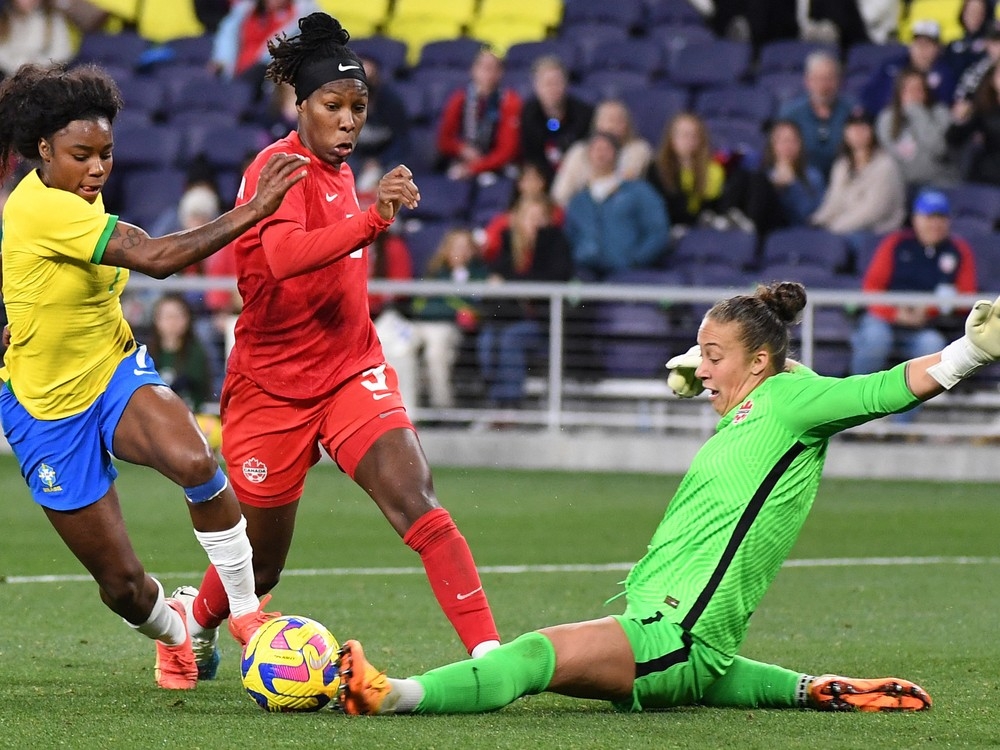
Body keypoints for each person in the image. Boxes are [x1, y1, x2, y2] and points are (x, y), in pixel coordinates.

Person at [335, 276, 1000, 716]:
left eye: (713, 356)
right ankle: (815, 689)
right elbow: (754, 366)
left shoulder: (796, 400)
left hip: (674, 633)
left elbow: (886, 387)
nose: (699, 368)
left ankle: (393, 695)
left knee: (533, 654)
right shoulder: (760, 402)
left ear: (759, 363)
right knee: (696, 674)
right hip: (684, 639)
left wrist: (968, 353)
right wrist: (701, 363)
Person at [179, 12, 502, 681]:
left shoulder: (340, 171)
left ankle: (490, 657)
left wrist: (367, 214)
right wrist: (374, 217)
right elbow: (288, 256)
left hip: (351, 369)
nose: (349, 120)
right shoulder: (276, 169)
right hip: (271, 387)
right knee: (261, 564)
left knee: (419, 501)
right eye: (334, 106)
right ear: (301, 106)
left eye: (358, 107)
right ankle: (189, 624)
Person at [0, 62, 308, 690]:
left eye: (106, 155)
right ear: (42, 151)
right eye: (81, 155)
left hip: (112, 370)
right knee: (122, 586)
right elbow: (158, 258)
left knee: (194, 460)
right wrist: (255, 209)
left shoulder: (79, 189)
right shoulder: (39, 209)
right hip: (44, 410)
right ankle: (175, 632)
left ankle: (249, 619)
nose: (97, 169)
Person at [850, 189, 978, 424]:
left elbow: (966, 297)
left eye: (941, 217)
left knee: (933, 346)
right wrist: (897, 313)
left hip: (925, 325)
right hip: (885, 319)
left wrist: (927, 311)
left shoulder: (958, 250)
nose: (934, 223)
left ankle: (901, 426)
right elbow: (872, 288)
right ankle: (859, 418)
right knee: (875, 338)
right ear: (916, 219)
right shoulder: (896, 243)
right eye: (929, 217)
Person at [478, 197, 573, 408]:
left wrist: (510, 283)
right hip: (507, 317)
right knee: (487, 339)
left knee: (511, 339)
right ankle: (494, 404)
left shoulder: (555, 242)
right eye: (531, 217)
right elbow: (496, 277)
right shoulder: (508, 242)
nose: (536, 223)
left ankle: (511, 406)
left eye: (541, 218)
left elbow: (553, 278)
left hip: (541, 323)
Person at [564, 132, 670, 281]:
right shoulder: (578, 201)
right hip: (585, 275)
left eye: (606, 148)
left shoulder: (639, 192)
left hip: (629, 275)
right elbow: (569, 237)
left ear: (617, 154)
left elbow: (657, 231)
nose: (601, 154)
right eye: (596, 149)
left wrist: (636, 260)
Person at [408, 228, 489, 410]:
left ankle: (441, 408)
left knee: (435, 352)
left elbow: (472, 309)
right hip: (421, 325)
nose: (461, 252)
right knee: (400, 348)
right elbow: (418, 305)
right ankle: (408, 410)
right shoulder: (433, 271)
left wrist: (444, 304)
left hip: (447, 327)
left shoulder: (479, 274)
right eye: (456, 247)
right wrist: (449, 304)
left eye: (466, 247)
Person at [810, 110, 906, 247]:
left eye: (863, 127)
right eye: (853, 127)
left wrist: (835, 228)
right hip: (844, 228)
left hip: (877, 232)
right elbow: (833, 201)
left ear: (873, 131)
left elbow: (873, 211)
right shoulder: (842, 165)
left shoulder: (885, 165)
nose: (857, 132)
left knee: (833, 245)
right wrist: (817, 221)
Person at [645, 112, 741, 237]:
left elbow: (713, 204)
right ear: (671, 137)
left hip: (702, 227)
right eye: (684, 135)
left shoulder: (712, 169)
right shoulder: (656, 168)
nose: (689, 140)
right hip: (669, 228)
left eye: (694, 135)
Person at [436, 47, 522, 181]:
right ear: (473, 70)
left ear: (501, 73)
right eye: (483, 67)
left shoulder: (510, 101)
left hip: (497, 165)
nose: (488, 72)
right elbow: (444, 140)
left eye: (493, 68)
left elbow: (507, 150)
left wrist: (475, 168)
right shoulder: (459, 99)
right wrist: (462, 149)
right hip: (462, 160)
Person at [551, 98, 652, 207]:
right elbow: (560, 195)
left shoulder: (638, 149)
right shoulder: (578, 151)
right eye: (609, 120)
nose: (613, 126)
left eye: (619, 121)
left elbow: (625, 184)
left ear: (627, 125)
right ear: (597, 124)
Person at [210, 0, 317, 97]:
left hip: (267, 85)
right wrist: (222, 61)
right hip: (234, 77)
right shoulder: (245, 11)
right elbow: (227, 38)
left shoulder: (301, 18)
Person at [777, 50, 855, 179]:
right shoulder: (790, 113)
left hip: (845, 179)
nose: (823, 86)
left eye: (829, 79)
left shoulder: (852, 111)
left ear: (839, 81)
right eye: (818, 79)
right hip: (801, 179)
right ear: (807, 81)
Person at [875, 67, 956, 190]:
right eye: (907, 89)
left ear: (926, 92)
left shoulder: (941, 113)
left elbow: (939, 149)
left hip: (936, 182)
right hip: (899, 185)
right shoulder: (887, 118)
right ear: (899, 93)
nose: (913, 94)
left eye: (918, 89)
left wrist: (918, 113)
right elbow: (887, 156)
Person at [859, 19, 957, 117]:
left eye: (928, 44)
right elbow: (868, 95)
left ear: (938, 48)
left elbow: (945, 106)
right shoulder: (892, 66)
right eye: (918, 44)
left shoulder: (946, 73)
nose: (922, 50)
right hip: (887, 120)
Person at [518, 55, 593, 183]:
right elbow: (530, 156)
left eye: (557, 83)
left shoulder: (584, 113)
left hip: (576, 175)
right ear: (536, 86)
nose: (552, 89)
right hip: (541, 176)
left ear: (566, 84)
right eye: (547, 83)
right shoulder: (528, 113)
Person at [481, 161, 563, 263]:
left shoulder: (557, 213)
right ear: (519, 184)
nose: (531, 184)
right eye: (526, 180)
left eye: (535, 179)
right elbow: (490, 247)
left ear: (544, 182)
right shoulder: (504, 219)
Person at [352, 55, 410, 197]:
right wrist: (359, 165)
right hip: (355, 161)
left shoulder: (391, 102)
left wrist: (380, 162)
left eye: (369, 76)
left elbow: (402, 141)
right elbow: (337, 141)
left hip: (385, 161)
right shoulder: (345, 103)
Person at [147, 293, 213, 414]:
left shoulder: (196, 352)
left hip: (190, 415)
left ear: (187, 319)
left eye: (177, 316)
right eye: (167, 316)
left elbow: (199, 387)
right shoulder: (147, 354)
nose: (172, 322)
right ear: (157, 320)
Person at [947, 60, 1000, 186]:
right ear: (992, 79)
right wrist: (960, 119)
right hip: (989, 176)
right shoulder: (982, 108)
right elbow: (954, 139)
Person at [0, 0, 76, 79]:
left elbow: (62, 51)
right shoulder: (4, 20)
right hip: (9, 76)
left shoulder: (51, 19)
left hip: (46, 76)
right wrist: (20, 67)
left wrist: (38, 67)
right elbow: (2, 54)